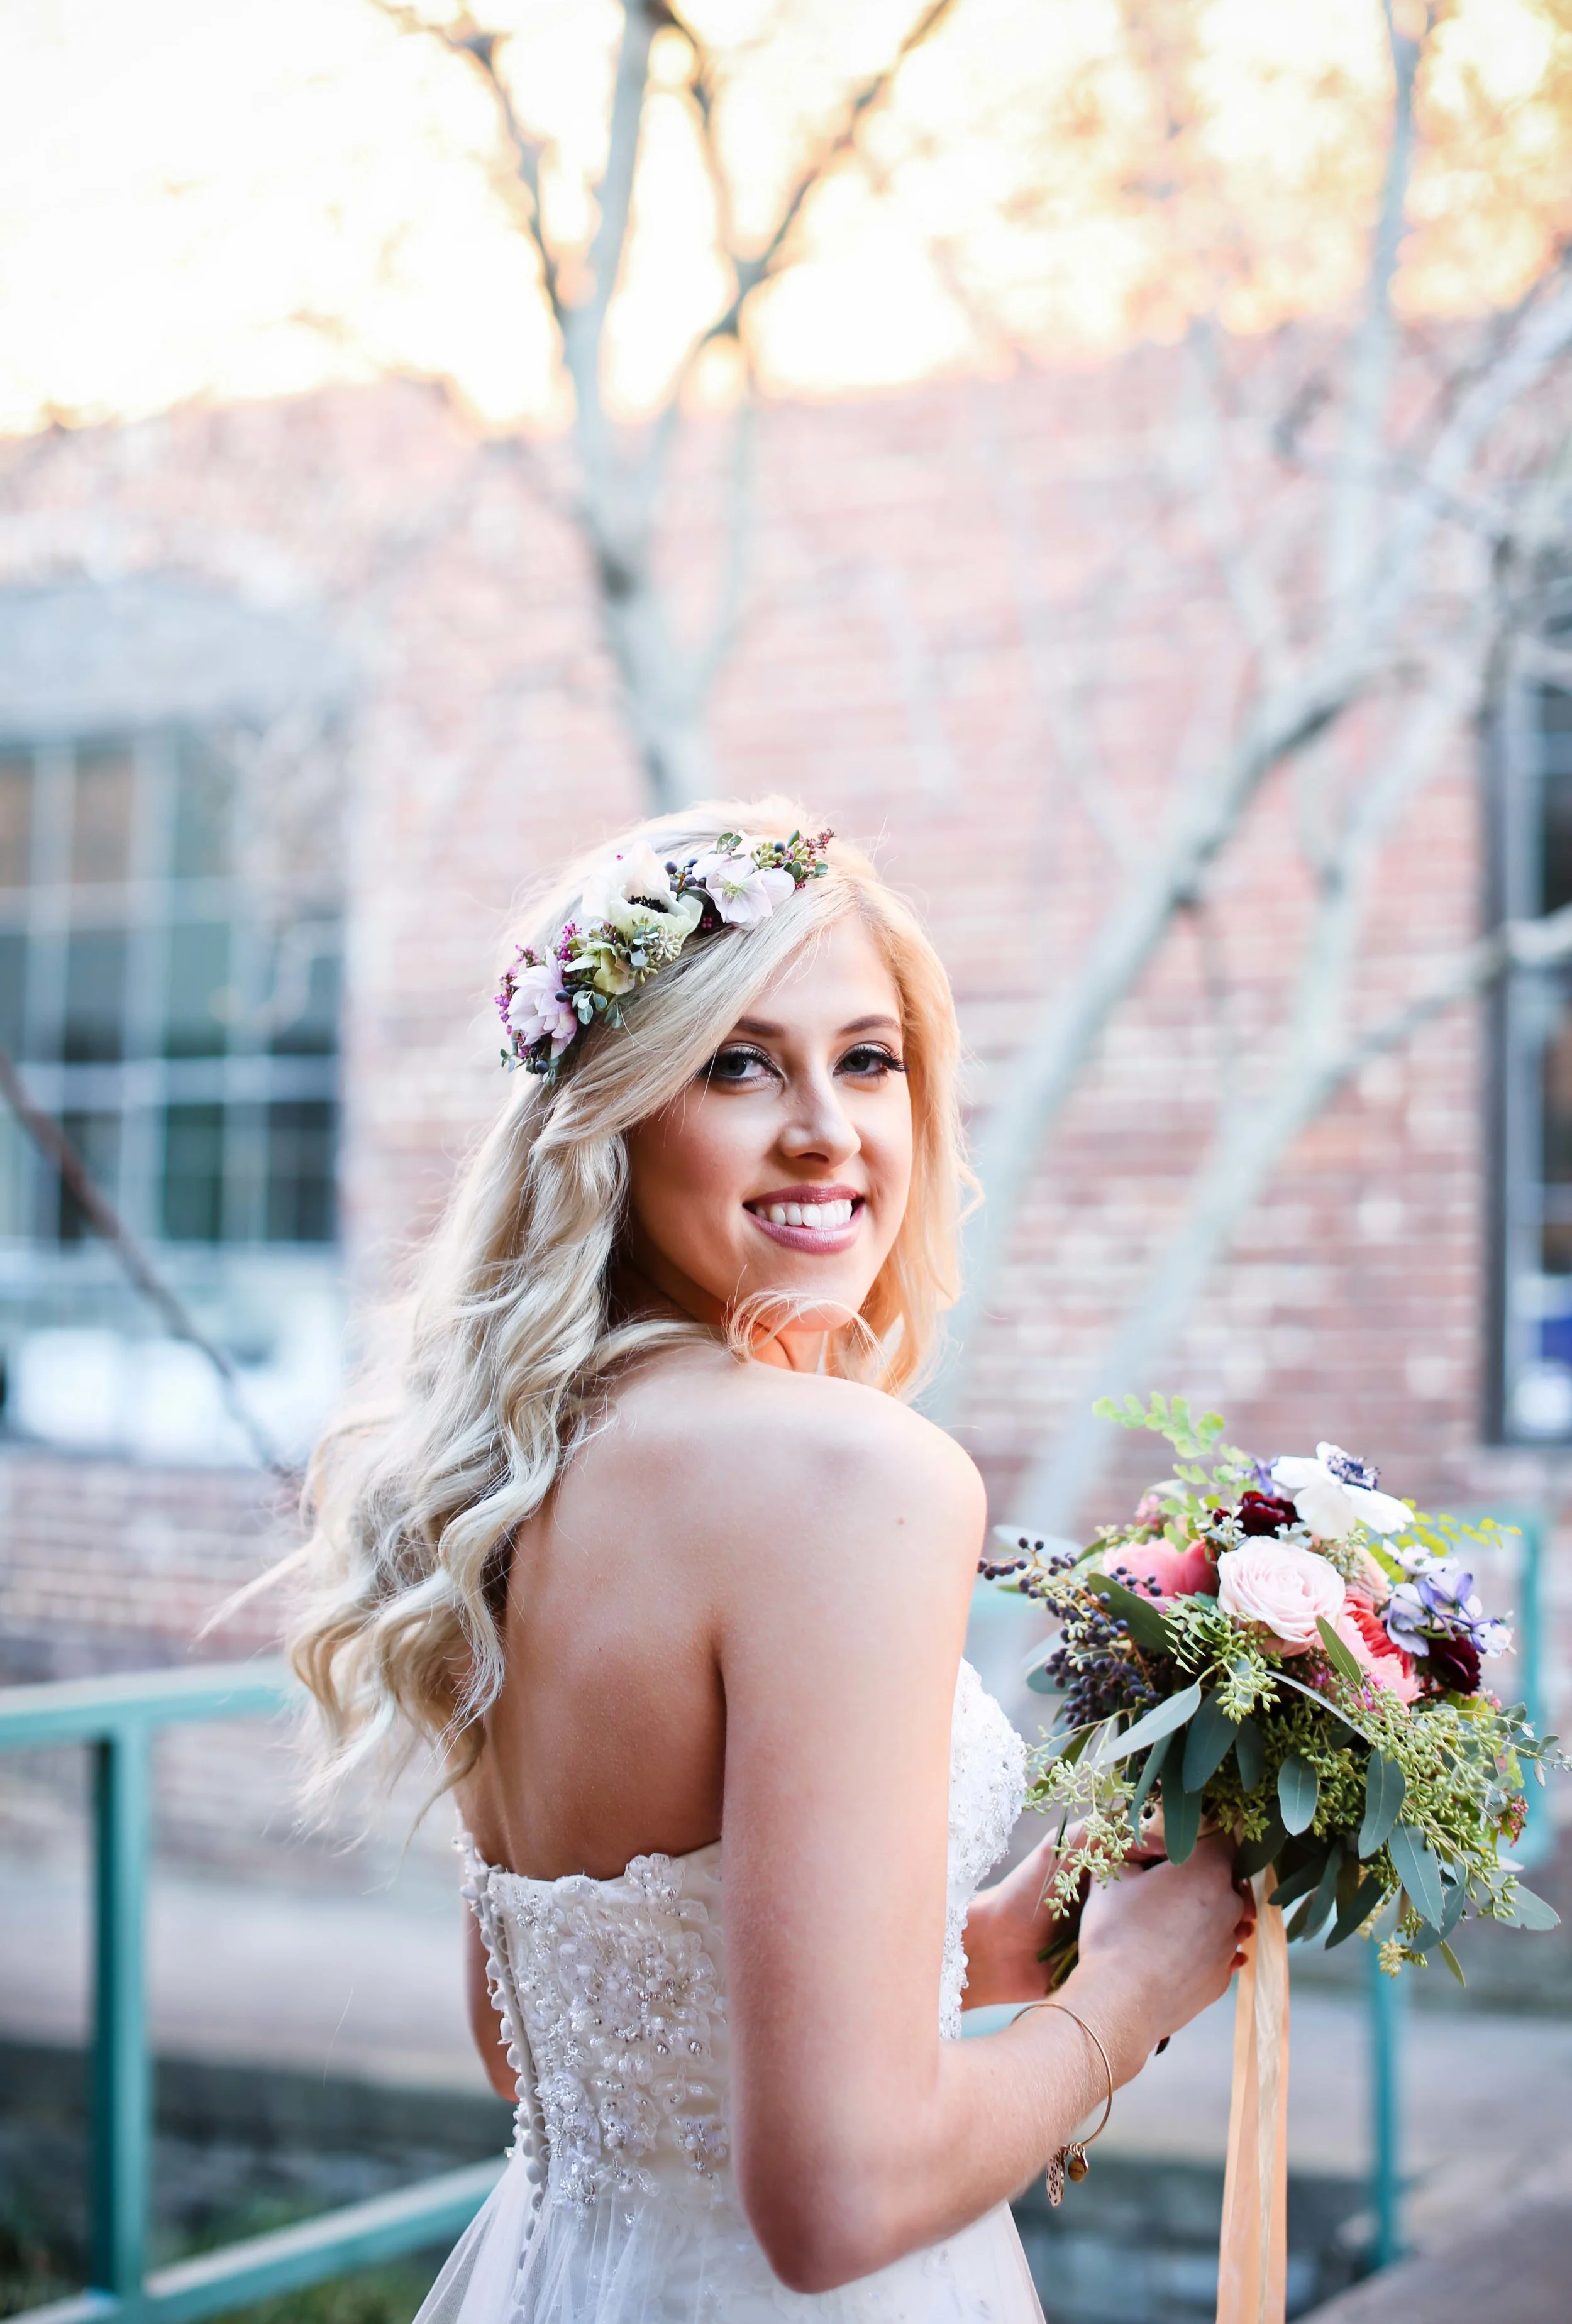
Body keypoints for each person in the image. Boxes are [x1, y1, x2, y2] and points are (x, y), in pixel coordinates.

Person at [288, 802, 1251, 2323]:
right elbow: (835, 2204)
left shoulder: (504, 1472)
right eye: (739, 1065)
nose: (826, 1128)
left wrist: (1019, 1936)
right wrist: (1135, 1995)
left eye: (866, 1060)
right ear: (612, 1111)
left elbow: (544, 2039)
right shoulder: (844, 1475)